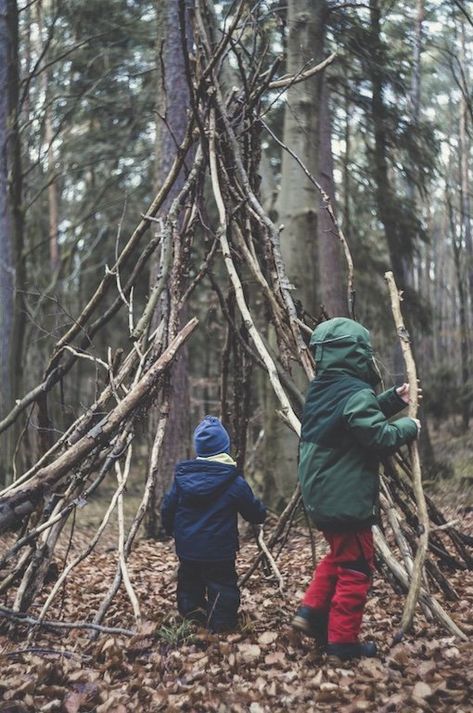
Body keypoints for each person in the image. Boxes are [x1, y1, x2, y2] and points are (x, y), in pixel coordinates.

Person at [292, 317, 420, 662]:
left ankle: (311, 612)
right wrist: (409, 425)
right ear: (356, 353)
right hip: (345, 500)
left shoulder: (322, 390)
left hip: (320, 497)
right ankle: (343, 644)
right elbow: (377, 436)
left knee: (339, 556)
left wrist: (393, 399)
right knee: (357, 568)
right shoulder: (355, 393)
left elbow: (355, 418)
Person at [161, 415, 266, 632]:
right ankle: (221, 627)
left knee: (189, 583)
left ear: (199, 448)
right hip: (220, 550)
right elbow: (253, 511)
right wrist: (261, 514)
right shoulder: (233, 481)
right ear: (224, 448)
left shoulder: (183, 479)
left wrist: (172, 530)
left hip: (188, 547)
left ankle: (192, 620)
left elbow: (168, 507)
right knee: (222, 587)